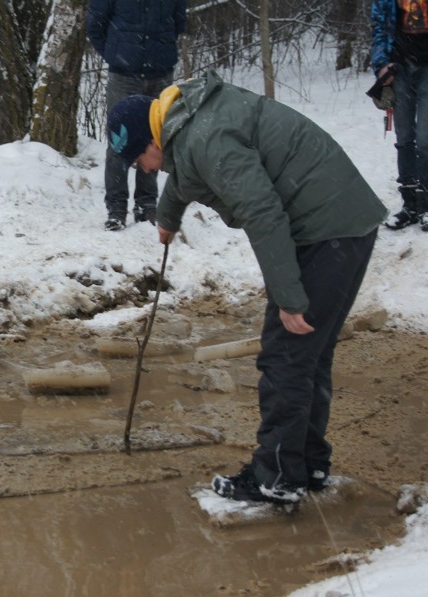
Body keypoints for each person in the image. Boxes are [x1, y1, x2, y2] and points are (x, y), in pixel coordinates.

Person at [107, 71, 386, 503]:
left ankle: (277, 476)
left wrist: (289, 298)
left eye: (139, 158)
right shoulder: (191, 120)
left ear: (152, 140)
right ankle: (306, 462)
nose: (144, 169)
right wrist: (167, 217)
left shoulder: (205, 140)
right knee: (308, 354)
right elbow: (186, 175)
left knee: (286, 355)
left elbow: (262, 213)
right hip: (343, 219)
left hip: (325, 230)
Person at [86, 0, 186, 232]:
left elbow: (179, 22)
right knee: (119, 140)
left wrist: (161, 50)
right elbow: (95, 25)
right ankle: (116, 209)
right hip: (124, 75)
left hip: (161, 72)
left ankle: (147, 204)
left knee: (157, 138)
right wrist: (116, 54)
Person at [371, 0, 428, 231]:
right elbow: (379, 26)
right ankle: (410, 205)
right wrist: (381, 64)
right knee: (404, 138)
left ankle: (426, 204)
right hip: (400, 67)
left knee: (424, 139)